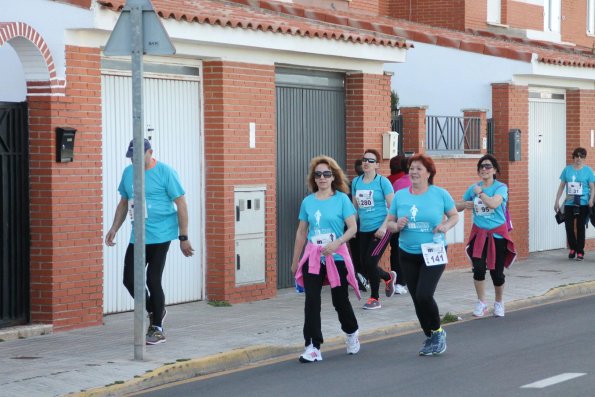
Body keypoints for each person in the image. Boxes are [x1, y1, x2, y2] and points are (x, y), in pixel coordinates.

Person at [105, 138, 195, 345]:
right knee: (129, 280)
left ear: (150, 152)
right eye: (131, 158)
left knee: (152, 279)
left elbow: (181, 204)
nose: (134, 161)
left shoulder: (166, 172)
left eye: (138, 157)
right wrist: (114, 228)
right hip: (138, 235)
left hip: (162, 234)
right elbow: (123, 202)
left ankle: (157, 328)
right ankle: (156, 311)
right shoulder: (128, 174)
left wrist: (183, 237)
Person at [386, 153, 459, 356]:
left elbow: (454, 215)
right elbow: (389, 223)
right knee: (416, 298)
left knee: (424, 294)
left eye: (419, 168)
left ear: (429, 172)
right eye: (412, 168)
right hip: (407, 253)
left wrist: (445, 226)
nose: (414, 172)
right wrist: (396, 225)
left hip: (433, 251)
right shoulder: (400, 195)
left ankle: (438, 331)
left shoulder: (440, 194)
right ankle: (430, 336)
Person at [292, 156, 360, 363]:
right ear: (314, 178)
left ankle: (351, 332)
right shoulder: (308, 202)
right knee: (311, 300)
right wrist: (295, 261)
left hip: (336, 255)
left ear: (333, 177)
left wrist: (337, 243)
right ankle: (312, 346)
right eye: (318, 174)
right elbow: (301, 232)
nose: (322, 178)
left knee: (339, 300)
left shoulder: (342, 199)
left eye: (326, 174)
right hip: (313, 256)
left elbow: (353, 228)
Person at [455, 155, 516, 318]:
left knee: (497, 272)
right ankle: (482, 302)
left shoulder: (500, 187)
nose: (484, 169)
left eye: (488, 166)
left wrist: (480, 193)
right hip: (479, 234)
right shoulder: (473, 188)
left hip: (497, 234)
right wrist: (464, 204)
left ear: (495, 170)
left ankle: (499, 302)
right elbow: (456, 206)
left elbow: (494, 203)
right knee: (479, 268)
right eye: (481, 166)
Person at [352, 149, 396, 310]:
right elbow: (354, 209)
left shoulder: (382, 182)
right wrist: (352, 228)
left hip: (381, 229)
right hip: (364, 229)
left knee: (370, 262)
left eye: (370, 161)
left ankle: (374, 298)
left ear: (377, 165)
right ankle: (387, 277)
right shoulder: (356, 182)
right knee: (364, 264)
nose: (366, 163)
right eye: (364, 160)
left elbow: (393, 208)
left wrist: (384, 227)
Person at [554, 147, 595, 261]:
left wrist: (591, 199)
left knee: (580, 227)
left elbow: (592, 187)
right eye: (576, 156)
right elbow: (562, 186)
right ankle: (573, 248)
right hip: (569, 202)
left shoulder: (588, 171)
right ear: (573, 157)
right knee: (568, 226)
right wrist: (557, 200)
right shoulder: (567, 170)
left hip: (583, 203)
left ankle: (580, 252)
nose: (579, 158)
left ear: (584, 158)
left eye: (581, 156)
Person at [389, 155, 411, 295]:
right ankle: (404, 281)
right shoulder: (422, 183)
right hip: (413, 224)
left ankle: (398, 282)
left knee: (396, 251)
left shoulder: (396, 183)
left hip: (396, 222)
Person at [350, 159, 368, 292]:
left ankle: (361, 276)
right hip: (360, 226)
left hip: (356, 226)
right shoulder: (355, 184)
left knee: (358, 254)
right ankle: (363, 277)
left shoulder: (351, 184)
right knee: (365, 254)